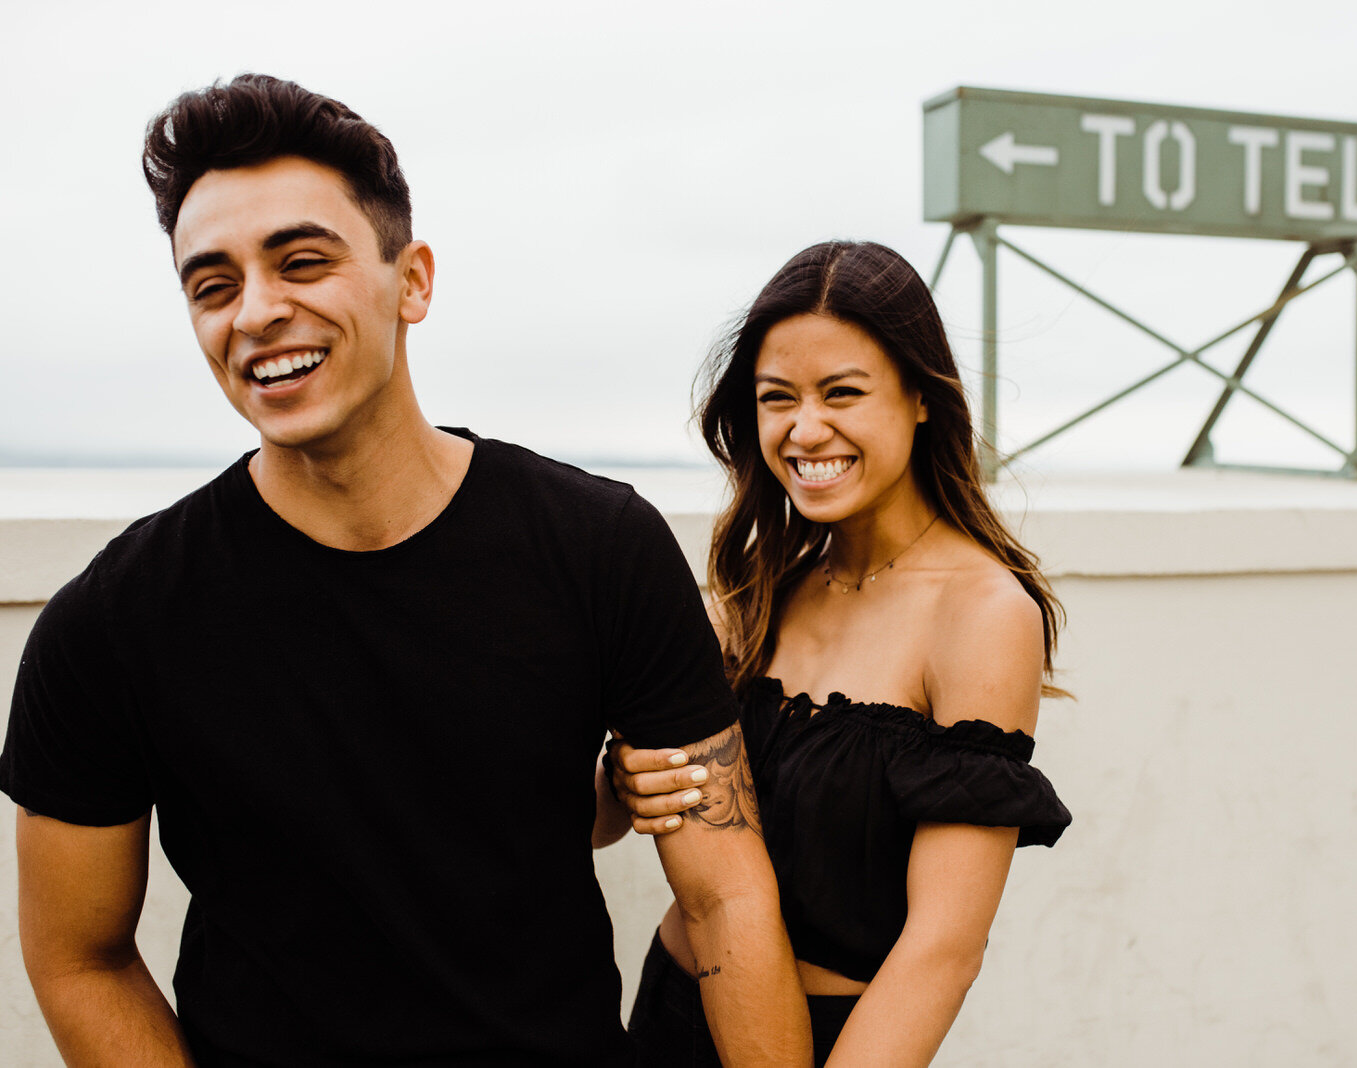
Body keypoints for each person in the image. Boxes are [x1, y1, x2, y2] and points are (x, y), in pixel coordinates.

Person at [0, 74, 810, 1067]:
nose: (255, 312)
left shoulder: (598, 547)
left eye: (301, 261)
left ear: (412, 281)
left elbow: (725, 893)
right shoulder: (113, 622)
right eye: (213, 285)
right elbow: (78, 957)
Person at [594, 241, 1072, 1065]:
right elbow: (603, 823)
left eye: (842, 393)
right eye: (777, 398)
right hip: (670, 1012)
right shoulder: (757, 586)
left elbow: (944, 950)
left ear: (921, 397)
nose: (804, 429)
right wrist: (624, 779)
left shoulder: (983, 612)